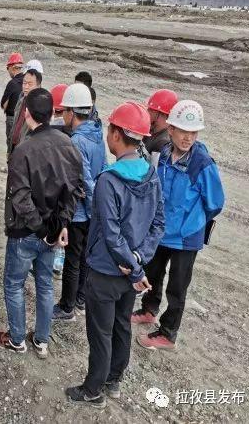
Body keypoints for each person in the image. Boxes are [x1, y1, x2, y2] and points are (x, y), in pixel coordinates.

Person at [66, 102, 164, 408]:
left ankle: (93, 389)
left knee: (100, 331)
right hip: (129, 271)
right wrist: (138, 259)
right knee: (121, 324)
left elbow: (109, 233)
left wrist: (132, 265)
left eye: (110, 129)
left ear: (118, 134)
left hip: (107, 271)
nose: (108, 134)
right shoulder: (150, 173)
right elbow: (158, 223)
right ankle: (114, 380)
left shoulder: (110, 181)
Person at [0, 89, 83, 359]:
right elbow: (76, 190)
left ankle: (17, 338)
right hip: (52, 230)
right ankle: (42, 340)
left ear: (27, 113)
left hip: (27, 231)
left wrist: (43, 228)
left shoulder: (23, 150)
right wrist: (60, 225)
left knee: (14, 283)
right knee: (44, 284)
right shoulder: (68, 144)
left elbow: (20, 198)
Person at [133, 100, 225, 351]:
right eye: (183, 131)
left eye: (193, 132)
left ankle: (168, 332)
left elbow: (215, 202)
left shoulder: (202, 163)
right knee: (153, 272)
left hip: (186, 237)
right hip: (162, 230)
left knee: (177, 286)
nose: (188, 137)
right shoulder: (162, 155)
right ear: (170, 129)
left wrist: (192, 221)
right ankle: (149, 309)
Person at [53, 83, 106, 322]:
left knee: (72, 261)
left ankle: (67, 306)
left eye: (64, 110)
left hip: (80, 212)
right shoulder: (97, 135)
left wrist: (94, 205)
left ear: (73, 113)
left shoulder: (76, 142)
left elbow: (83, 178)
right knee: (84, 257)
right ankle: (81, 299)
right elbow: (102, 170)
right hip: (91, 211)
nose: (62, 114)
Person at [9, 66, 42, 152]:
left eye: (30, 84)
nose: (26, 87)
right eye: (24, 83)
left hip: (26, 151)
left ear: (38, 86)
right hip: (14, 146)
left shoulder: (40, 107)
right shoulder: (21, 100)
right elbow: (15, 124)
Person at [143, 89, 178, 155]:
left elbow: (155, 165)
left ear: (160, 113)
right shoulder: (151, 129)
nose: (147, 111)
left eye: (151, 109)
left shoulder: (163, 143)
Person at [0, 53, 24, 152]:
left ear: (12, 67)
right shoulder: (27, 81)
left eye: (7, 68)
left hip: (12, 118)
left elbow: (3, 104)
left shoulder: (12, 83)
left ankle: (11, 163)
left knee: (11, 144)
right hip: (23, 118)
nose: (8, 71)